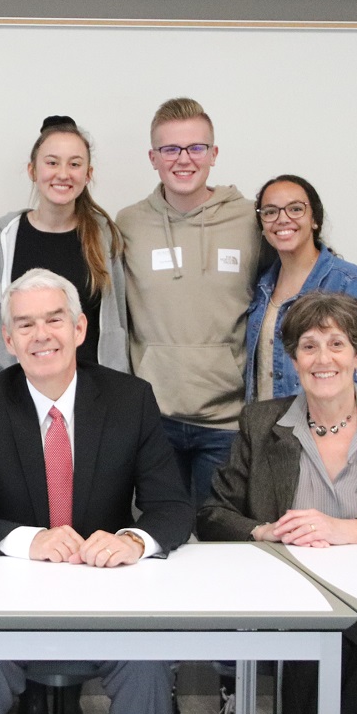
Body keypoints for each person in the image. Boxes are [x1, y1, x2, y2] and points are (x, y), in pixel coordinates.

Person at [0, 268, 194, 714]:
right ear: (8, 339)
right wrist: (28, 539)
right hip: (10, 604)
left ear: (79, 328)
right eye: (25, 325)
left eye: (54, 320)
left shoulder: (130, 399)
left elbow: (173, 507)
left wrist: (133, 541)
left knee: (146, 669)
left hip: (109, 599)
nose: (41, 335)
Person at [199, 291, 357, 714]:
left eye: (337, 344)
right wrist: (264, 531)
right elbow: (213, 515)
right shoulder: (263, 423)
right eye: (309, 346)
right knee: (317, 651)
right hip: (297, 600)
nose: (324, 359)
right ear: (294, 359)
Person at [116, 97, 262, 509]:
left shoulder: (251, 220)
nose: (184, 159)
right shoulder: (127, 223)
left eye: (196, 147)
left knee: (220, 547)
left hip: (228, 423)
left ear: (214, 154)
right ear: (153, 157)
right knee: (158, 543)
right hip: (153, 421)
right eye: (170, 149)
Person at [0, 116, 128, 379]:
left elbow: (116, 322)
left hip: (91, 392)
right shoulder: (6, 234)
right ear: (32, 171)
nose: (63, 174)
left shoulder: (104, 234)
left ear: (88, 174)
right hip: (20, 391)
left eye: (74, 164)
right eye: (52, 162)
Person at [246, 174, 357, 400]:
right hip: (263, 427)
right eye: (270, 212)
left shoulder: (350, 283)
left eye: (295, 209)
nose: (282, 219)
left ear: (314, 219)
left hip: (319, 429)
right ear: (262, 225)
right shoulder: (261, 285)